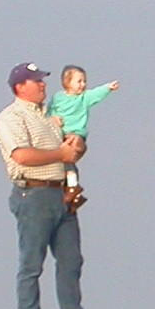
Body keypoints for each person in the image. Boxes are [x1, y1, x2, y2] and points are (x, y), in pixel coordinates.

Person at [0, 63, 87, 309]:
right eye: (36, 81)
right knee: (32, 264)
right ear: (20, 86)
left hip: (63, 193)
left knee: (71, 262)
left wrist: (76, 145)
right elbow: (21, 156)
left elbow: (72, 148)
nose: (43, 85)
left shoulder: (51, 116)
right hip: (33, 194)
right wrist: (61, 155)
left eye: (42, 81)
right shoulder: (10, 118)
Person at [46, 64, 120, 208]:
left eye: (84, 81)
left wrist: (108, 88)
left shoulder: (84, 98)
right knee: (61, 161)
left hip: (75, 134)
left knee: (69, 159)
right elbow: (49, 111)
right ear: (67, 82)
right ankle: (69, 189)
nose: (83, 85)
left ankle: (73, 187)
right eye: (79, 81)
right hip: (60, 134)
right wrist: (52, 119)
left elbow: (95, 94)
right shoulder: (58, 97)